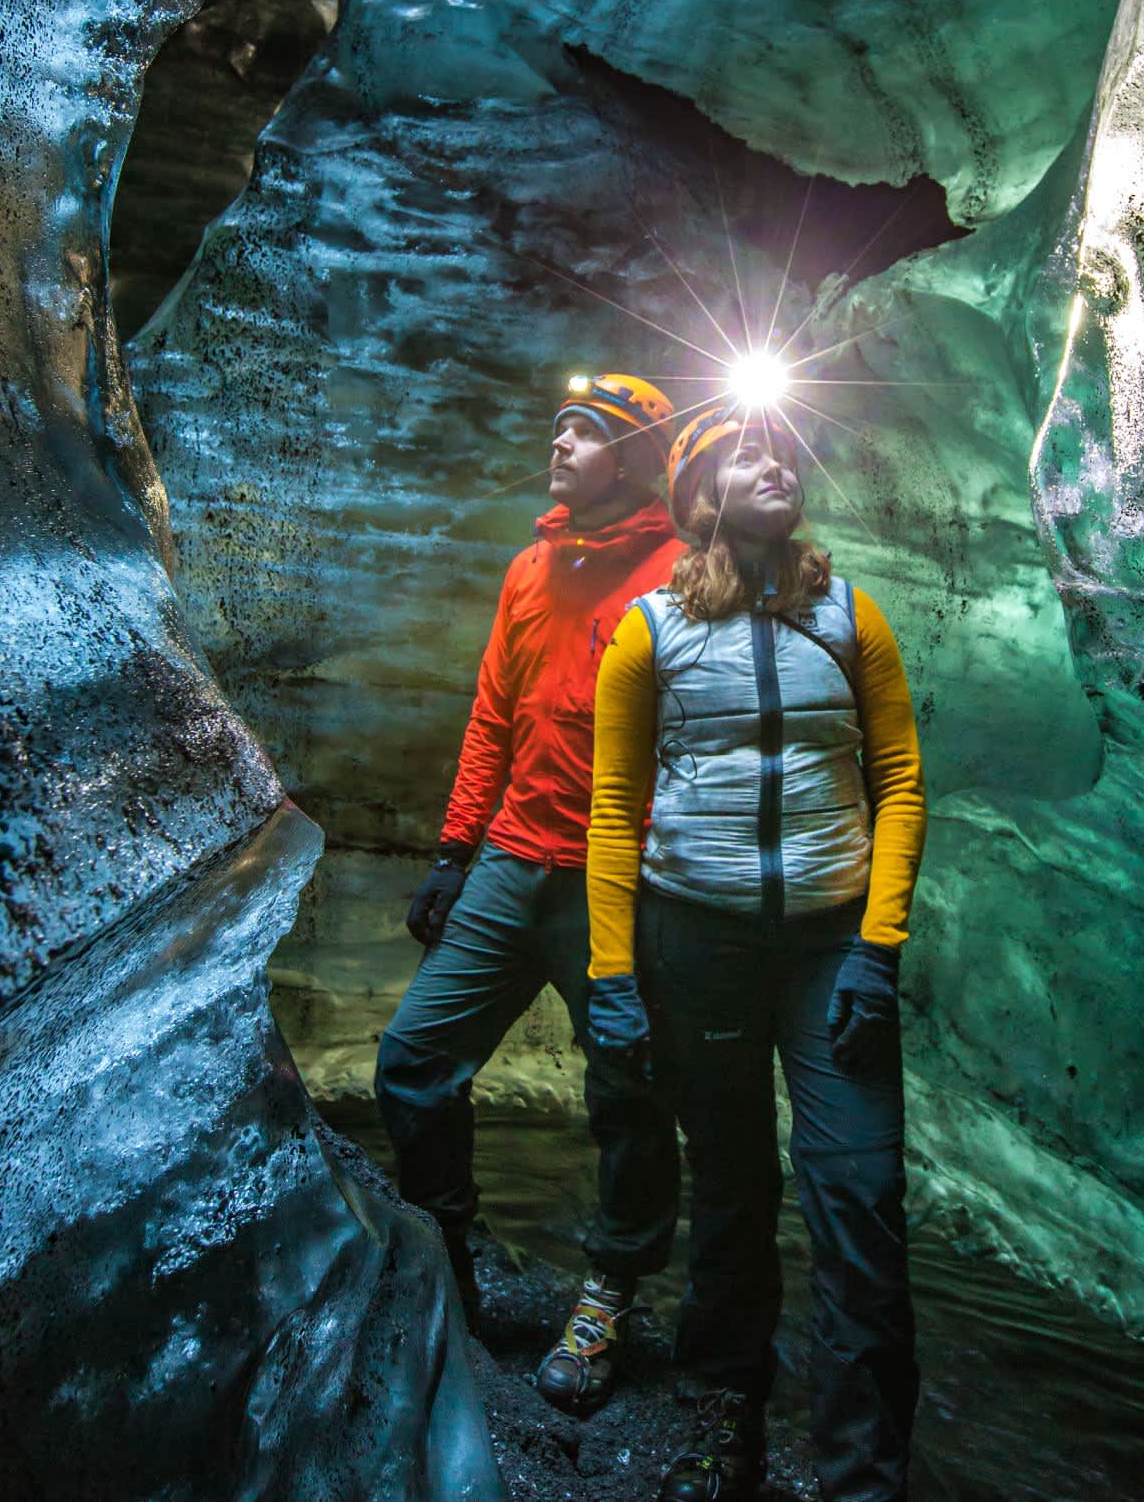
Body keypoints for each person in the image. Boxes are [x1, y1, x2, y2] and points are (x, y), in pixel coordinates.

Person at [585, 404, 927, 1502]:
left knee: (861, 1202)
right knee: (731, 1192)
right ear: (695, 498)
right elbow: (612, 809)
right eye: (742, 452)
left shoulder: (853, 615)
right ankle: (718, 1431)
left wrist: (879, 950)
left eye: (782, 449)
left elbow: (902, 783)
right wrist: (612, 979)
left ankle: (862, 1481)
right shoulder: (649, 631)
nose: (773, 460)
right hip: (697, 944)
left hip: (834, 950)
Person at [376, 373, 686, 1415]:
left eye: (587, 431)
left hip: (621, 881)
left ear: (638, 456)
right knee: (414, 1063)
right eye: (559, 426)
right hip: (514, 860)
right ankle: (448, 1253)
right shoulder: (528, 570)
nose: (560, 443)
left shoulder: (683, 573)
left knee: (628, 1093)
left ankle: (610, 1291)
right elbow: (492, 717)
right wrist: (456, 850)